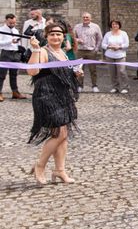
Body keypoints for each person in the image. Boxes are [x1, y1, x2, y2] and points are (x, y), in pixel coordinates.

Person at [26, 22, 83, 184]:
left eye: (59, 34)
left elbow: (64, 74)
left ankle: (59, 170)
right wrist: (35, 49)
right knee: (60, 133)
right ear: (47, 36)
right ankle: (39, 165)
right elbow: (32, 71)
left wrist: (76, 74)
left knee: (62, 136)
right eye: (52, 34)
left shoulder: (63, 53)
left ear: (63, 36)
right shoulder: (43, 51)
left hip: (63, 96)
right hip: (46, 96)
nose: (56, 37)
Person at [0, 13, 27, 101]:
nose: (12, 25)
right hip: (6, 53)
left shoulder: (15, 31)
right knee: (1, 74)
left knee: (14, 74)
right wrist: (10, 41)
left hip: (15, 54)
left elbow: (18, 41)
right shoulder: (1, 30)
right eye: (10, 23)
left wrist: (20, 48)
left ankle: (15, 92)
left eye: (14, 23)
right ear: (6, 21)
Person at [73, 12, 103, 92]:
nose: (85, 18)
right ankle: (80, 86)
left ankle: (94, 86)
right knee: (79, 69)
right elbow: (73, 38)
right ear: (82, 18)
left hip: (91, 51)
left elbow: (99, 38)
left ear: (90, 18)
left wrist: (96, 49)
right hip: (80, 51)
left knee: (93, 69)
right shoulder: (77, 27)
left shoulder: (96, 27)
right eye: (84, 17)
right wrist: (77, 40)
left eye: (87, 17)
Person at [101, 20, 130, 94]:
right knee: (112, 72)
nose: (115, 26)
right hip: (110, 55)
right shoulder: (108, 34)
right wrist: (109, 46)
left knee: (122, 71)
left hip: (120, 55)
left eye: (116, 24)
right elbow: (103, 44)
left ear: (119, 25)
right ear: (111, 25)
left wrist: (119, 47)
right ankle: (115, 87)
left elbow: (126, 44)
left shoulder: (124, 34)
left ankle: (125, 87)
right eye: (113, 24)